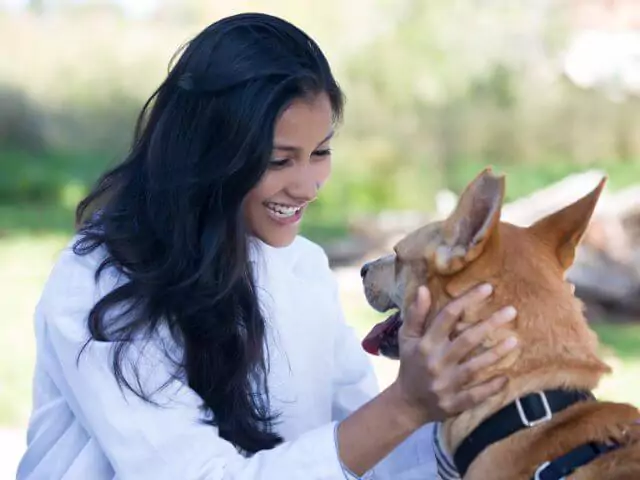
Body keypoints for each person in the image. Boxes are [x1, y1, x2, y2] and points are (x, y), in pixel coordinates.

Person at [17, 13, 519, 480]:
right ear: (210, 155)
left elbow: (363, 459)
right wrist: (406, 405)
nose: (307, 186)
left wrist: (458, 397)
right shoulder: (102, 285)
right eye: (279, 161)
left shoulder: (301, 267)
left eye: (320, 153)